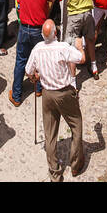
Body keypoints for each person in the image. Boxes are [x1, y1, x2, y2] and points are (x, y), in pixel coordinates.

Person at [26, 19, 85, 182]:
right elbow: (81, 59)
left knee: (50, 133)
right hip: (64, 93)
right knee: (76, 125)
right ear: (56, 33)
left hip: (47, 94)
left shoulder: (38, 49)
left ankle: (54, 172)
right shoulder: (62, 47)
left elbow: (28, 71)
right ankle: (75, 164)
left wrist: (35, 77)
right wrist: (79, 46)